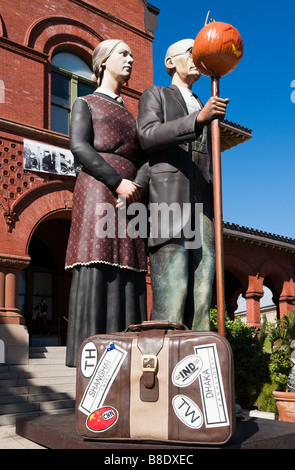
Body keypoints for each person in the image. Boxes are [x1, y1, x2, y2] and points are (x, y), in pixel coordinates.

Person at [65, 39, 148, 367]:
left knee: (132, 264)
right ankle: (92, 356)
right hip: (99, 189)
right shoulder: (85, 102)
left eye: (131, 55)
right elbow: (79, 147)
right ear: (103, 61)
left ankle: (130, 351)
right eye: (123, 54)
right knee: (98, 259)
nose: (130, 60)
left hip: (134, 198)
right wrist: (117, 182)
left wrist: (138, 184)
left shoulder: (133, 114)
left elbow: (144, 157)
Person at [137, 38, 229, 331]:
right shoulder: (157, 94)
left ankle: (199, 355)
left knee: (203, 285)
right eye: (191, 53)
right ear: (170, 62)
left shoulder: (203, 101)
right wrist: (198, 119)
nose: (197, 58)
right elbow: (148, 136)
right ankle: (163, 358)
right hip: (169, 199)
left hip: (203, 201)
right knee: (172, 289)